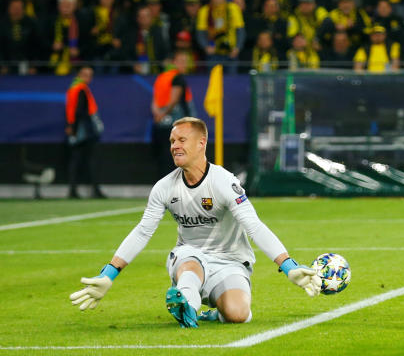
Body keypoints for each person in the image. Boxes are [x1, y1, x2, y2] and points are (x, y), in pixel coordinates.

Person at [69, 117, 320, 326]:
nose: (174, 146)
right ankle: (186, 307)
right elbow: (143, 232)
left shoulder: (223, 182)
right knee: (190, 261)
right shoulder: (164, 187)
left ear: (201, 143)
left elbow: (253, 226)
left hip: (230, 261)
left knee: (238, 315)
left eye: (181, 140)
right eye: (172, 141)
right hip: (189, 257)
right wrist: (108, 274)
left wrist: (288, 266)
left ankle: (212, 310)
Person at [151, 51, 196, 178]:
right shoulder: (178, 78)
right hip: (175, 123)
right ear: (174, 63)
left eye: (186, 62)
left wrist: (158, 114)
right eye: (181, 61)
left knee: (163, 155)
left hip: (161, 123)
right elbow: (174, 99)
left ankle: (162, 186)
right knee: (176, 156)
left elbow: (154, 100)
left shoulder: (161, 77)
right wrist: (165, 113)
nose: (185, 65)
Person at [65, 66, 105, 199]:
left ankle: (73, 190)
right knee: (90, 160)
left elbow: (71, 110)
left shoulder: (73, 88)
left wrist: (70, 126)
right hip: (84, 130)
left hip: (76, 128)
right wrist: (75, 129)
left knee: (76, 160)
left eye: (90, 75)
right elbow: (79, 111)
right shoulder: (81, 89)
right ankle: (95, 190)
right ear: (79, 75)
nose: (89, 78)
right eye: (86, 75)